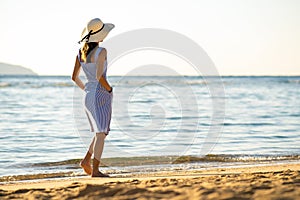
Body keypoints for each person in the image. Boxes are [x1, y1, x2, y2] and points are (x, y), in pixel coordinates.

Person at [71, 18, 114, 177]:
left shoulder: (80, 53)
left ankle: (86, 161)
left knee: (99, 132)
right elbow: (99, 77)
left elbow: (74, 77)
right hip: (100, 93)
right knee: (101, 133)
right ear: (99, 36)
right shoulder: (101, 51)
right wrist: (109, 89)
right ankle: (95, 170)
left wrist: (87, 90)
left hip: (88, 95)